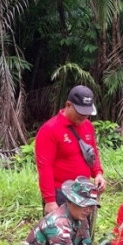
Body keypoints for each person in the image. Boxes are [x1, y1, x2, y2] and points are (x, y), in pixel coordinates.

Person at [35, 85, 105, 215]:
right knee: (61, 233)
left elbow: (92, 152)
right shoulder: (50, 129)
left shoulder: (88, 126)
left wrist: (98, 173)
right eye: (80, 113)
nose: (84, 118)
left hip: (84, 190)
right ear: (68, 105)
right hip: (61, 193)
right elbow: (45, 167)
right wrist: (50, 200)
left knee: (84, 232)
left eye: (87, 114)